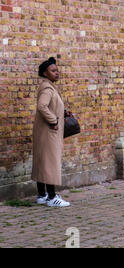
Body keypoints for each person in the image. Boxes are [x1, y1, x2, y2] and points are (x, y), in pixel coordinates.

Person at [31, 57, 70, 207]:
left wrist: (63, 113)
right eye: (53, 71)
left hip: (45, 132)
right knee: (50, 163)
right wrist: (54, 120)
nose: (57, 73)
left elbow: (50, 106)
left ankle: (42, 195)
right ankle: (52, 197)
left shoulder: (49, 86)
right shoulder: (47, 88)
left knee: (43, 162)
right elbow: (42, 106)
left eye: (57, 70)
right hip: (49, 131)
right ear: (45, 73)